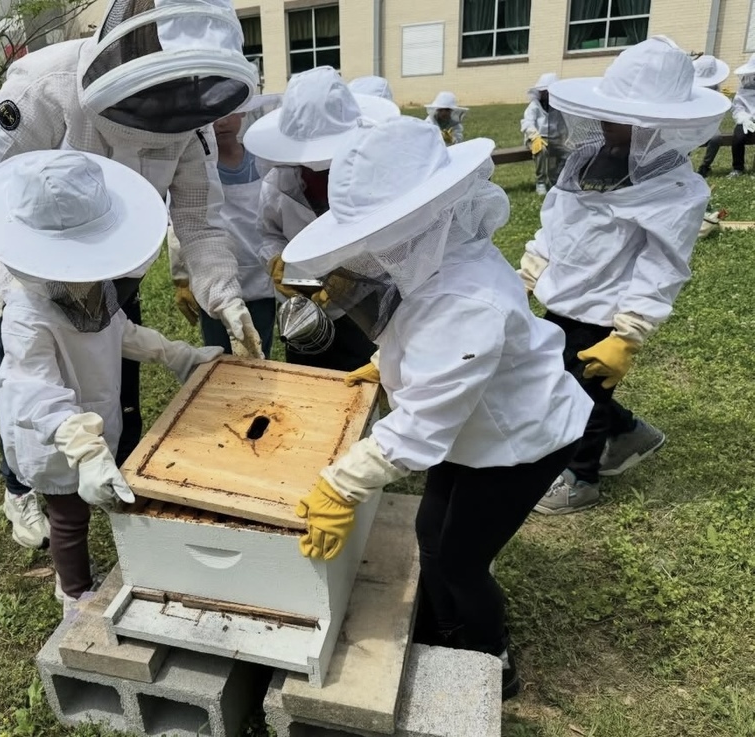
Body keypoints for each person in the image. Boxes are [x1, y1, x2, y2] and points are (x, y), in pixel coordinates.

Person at [280, 115, 592, 700]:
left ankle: (487, 658)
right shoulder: (444, 260)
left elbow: (424, 424)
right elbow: (420, 335)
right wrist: (387, 365)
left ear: (418, 222)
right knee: (431, 528)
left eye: (380, 238)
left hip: (521, 442)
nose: (370, 256)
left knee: (460, 562)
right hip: (474, 426)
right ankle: (442, 625)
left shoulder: (464, 296)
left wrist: (341, 485)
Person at [0, 0, 264, 549]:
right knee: (29, 385)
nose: (167, 113)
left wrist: (224, 297)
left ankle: (117, 472)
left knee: (113, 380)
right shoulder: (42, 88)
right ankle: (21, 487)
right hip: (29, 278)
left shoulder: (192, 118)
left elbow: (198, 216)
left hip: (116, 270)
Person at [0, 150, 222, 615]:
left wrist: (177, 355)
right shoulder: (25, 314)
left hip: (92, 414)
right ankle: (74, 595)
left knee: (91, 503)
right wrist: (83, 449)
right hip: (54, 435)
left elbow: (118, 330)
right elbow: (33, 390)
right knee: (68, 517)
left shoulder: (94, 287)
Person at [518, 37, 729, 514]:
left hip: (605, 313)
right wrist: (531, 269)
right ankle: (632, 432)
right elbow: (559, 219)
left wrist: (628, 334)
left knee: (579, 396)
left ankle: (580, 478)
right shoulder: (586, 160)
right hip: (562, 298)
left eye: (623, 119)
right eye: (608, 113)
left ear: (660, 125)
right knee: (561, 378)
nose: (608, 123)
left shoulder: (676, 189)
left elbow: (663, 264)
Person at [243, 66, 400, 370]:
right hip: (302, 311)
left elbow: (398, 241)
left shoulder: (377, 179)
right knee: (307, 385)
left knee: (363, 386)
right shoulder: (277, 184)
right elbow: (268, 233)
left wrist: (354, 277)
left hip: (367, 312)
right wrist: (276, 259)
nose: (318, 170)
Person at [170, 94, 283, 358]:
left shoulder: (262, 161)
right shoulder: (195, 167)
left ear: (243, 113)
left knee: (258, 347)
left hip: (261, 275)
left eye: (229, 112)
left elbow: (275, 214)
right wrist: (182, 278)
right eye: (213, 115)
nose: (221, 122)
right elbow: (183, 223)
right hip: (212, 275)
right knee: (219, 353)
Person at [521, 73, 567, 195]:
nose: (544, 94)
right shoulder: (534, 106)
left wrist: (564, 138)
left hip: (553, 138)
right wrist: (534, 136)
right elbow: (527, 123)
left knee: (567, 151)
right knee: (541, 150)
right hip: (535, 138)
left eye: (546, 91)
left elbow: (561, 126)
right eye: (542, 91)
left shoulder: (557, 107)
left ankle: (556, 180)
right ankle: (540, 182)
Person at [692, 54, 730, 177]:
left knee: (716, 138)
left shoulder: (716, 87)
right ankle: (681, 166)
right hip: (691, 122)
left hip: (710, 124)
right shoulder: (691, 84)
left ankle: (705, 166)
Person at [727, 53, 755, 177]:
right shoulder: (744, 87)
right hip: (745, 120)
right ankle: (737, 168)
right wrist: (744, 119)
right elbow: (738, 106)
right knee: (738, 138)